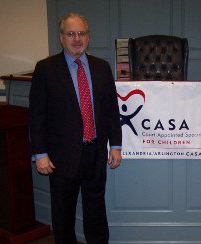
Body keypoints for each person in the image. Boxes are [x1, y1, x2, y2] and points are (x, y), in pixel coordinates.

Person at [29, 13, 122, 243]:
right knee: (63, 215)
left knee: (96, 212)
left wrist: (116, 145)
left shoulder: (102, 67)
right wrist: (40, 153)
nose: (77, 39)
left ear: (88, 37)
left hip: (95, 152)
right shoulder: (46, 69)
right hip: (61, 158)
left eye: (82, 33)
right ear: (61, 38)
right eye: (71, 34)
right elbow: (37, 115)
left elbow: (111, 109)